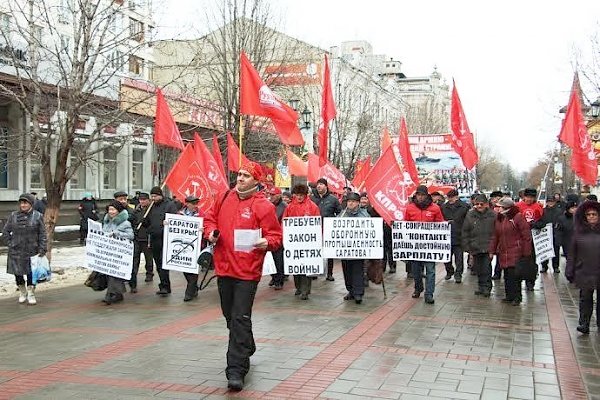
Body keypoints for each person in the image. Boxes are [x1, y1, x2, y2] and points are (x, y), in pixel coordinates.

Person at [204, 161, 282, 391]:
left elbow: (276, 236)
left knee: (239, 317)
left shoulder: (263, 206)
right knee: (230, 316)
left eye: (246, 176)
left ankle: (236, 370)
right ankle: (246, 343)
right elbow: (209, 218)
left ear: (256, 181)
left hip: (247, 271)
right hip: (224, 267)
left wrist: (267, 242)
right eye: (239, 174)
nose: (240, 179)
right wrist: (211, 232)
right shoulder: (224, 197)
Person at [2, 193, 47, 305]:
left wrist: (42, 248)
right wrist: (10, 243)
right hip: (16, 251)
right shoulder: (13, 216)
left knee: (31, 273)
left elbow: (42, 234)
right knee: (18, 273)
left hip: (32, 250)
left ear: (31, 204)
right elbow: (5, 232)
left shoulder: (38, 216)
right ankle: (22, 292)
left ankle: (31, 293)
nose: (23, 205)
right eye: (21, 203)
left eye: (25, 203)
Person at [405, 185, 445, 304]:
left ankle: (429, 294)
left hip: (430, 246)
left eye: (423, 195)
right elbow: (406, 225)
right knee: (416, 270)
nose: (420, 197)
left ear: (427, 196)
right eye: (418, 195)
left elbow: (440, 224)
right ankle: (418, 288)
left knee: (430, 270)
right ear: (415, 195)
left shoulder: (435, 208)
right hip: (415, 245)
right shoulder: (410, 208)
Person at [489, 197, 532, 305]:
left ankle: (517, 297)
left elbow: (526, 235)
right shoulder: (500, 218)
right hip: (504, 251)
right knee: (507, 275)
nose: (497, 208)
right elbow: (495, 236)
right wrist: (492, 250)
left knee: (515, 275)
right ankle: (509, 296)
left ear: (506, 208)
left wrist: (526, 253)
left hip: (516, 251)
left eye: (499, 207)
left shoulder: (517, 217)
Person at [566, 200, 600, 334]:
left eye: (594, 214)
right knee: (585, 298)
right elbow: (572, 254)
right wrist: (570, 270)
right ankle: (584, 323)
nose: (591, 217)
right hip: (584, 271)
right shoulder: (578, 233)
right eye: (588, 214)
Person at [282, 184, 320, 300]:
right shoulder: (289, 207)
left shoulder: (312, 206)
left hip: (307, 243)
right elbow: (284, 222)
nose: (299, 197)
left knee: (306, 267)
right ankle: (298, 287)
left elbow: (317, 223)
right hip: (294, 242)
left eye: (301, 195)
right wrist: (284, 236)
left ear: (305, 195)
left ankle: (305, 290)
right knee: (295, 266)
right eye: (297, 195)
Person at [143, 186, 180, 297]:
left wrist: (166, 224)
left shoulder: (169, 205)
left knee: (164, 264)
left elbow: (174, 220)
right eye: (152, 196)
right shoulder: (151, 207)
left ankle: (165, 285)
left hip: (165, 239)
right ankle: (163, 284)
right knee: (158, 263)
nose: (153, 198)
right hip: (154, 239)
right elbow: (148, 222)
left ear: (160, 195)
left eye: (155, 196)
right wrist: (144, 222)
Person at [339, 192, 370, 304]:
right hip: (345, 249)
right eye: (349, 201)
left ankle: (358, 293)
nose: (350, 203)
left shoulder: (364, 215)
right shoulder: (342, 214)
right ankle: (350, 290)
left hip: (358, 249)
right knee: (347, 271)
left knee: (357, 271)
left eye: (352, 201)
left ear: (357, 203)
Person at [462, 194, 496, 296]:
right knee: (478, 269)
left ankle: (487, 288)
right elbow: (465, 231)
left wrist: (493, 248)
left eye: (482, 204)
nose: (479, 206)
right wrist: (467, 247)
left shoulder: (493, 215)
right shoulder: (470, 215)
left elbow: (496, 232)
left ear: (486, 204)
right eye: (477, 204)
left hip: (487, 246)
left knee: (486, 268)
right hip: (475, 246)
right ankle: (481, 287)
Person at [101, 200, 134, 305]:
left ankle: (110, 295)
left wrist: (116, 234)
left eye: (113, 209)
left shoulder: (125, 223)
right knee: (109, 273)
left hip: (119, 253)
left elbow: (130, 236)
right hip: (107, 251)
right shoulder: (106, 221)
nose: (111, 212)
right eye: (109, 209)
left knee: (113, 274)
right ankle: (117, 294)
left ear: (118, 211)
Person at [310, 178, 341, 281]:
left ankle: (329, 273)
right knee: (315, 250)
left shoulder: (333, 199)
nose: (319, 186)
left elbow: (340, 213)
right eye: (318, 184)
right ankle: (314, 271)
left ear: (326, 186)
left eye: (321, 184)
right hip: (315, 228)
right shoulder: (311, 199)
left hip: (328, 229)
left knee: (329, 251)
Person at [516, 187, 543, 291]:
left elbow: (543, 222)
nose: (529, 199)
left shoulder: (538, 207)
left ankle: (530, 282)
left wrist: (536, 224)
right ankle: (518, 279)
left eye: (532, 197)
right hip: (520, 239)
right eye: (527, 197)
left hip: (533, 239)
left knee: (531, 262)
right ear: (524, 197)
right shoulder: (517, 206)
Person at [179, 195, 205, 301]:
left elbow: (207, 225)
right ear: (187, 204)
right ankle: (193, 288)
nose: (195, 205)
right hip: (182, 245)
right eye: (193, 203)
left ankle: (189, 292)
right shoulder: (179, 214)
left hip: (196, 245)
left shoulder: (201, 214)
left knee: (193, 268)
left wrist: (203, 230)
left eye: (196, 203)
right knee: (185, 267)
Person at [441, 189, 469, 283]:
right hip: (447, 235)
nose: (450, 200)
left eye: (451, 198)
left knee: (459, 258)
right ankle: (449, 271)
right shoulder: (444, 207)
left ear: (456, 197)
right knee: (446, 258)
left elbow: (467, 221)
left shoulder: (464, 207)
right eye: (449, 198)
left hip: (459, 235)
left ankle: (458, 274)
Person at [130, 192, 154, 289]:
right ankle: (133, 276)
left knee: (148, 257)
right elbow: (133, 221)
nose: (142, 201)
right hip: (137, 238)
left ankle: (149, 273)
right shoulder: (136, 210)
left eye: (144, 199)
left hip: (147, 238)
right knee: (135, 258)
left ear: (148, 200)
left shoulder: (151, 210)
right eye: (141, 200)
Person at [535, 196, 562, 273]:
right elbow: (540, 220)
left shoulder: (559, 211)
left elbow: (561, 220)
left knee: (556, 251)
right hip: (545, 234)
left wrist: (558, 225)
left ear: (555, 202)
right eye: (549, 201)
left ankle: (556, 266)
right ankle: (544, 266)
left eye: (552, 201)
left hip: (555, 233)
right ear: (546, 202)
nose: (550, 203)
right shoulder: (543, 211)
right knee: (544, 250)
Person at [267, 187, 287, 290]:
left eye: (273, 195)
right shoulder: (269, 206)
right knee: (270, 259)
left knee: (279, 260)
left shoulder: (284, 207)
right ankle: (274, 277)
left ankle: (279, 280)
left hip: (279, 237)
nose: (271, 197)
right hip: (269, 236)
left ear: (279, 196)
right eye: (270, 195)